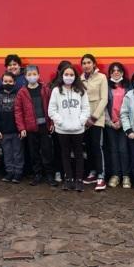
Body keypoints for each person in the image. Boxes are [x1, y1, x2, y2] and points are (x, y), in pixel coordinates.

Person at [48, 64, 90, 192]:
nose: (69, 77)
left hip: (78, 129)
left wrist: (80, 122)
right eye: (66, 74)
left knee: (78, 154)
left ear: (75, 76)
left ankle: (79, 180)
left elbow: (86, 108)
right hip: (62, 129)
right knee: (65, 154)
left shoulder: (81, 90)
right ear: (62, 75)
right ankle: (68, 180)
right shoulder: (56, 90)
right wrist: (60, 122)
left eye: (71, 75)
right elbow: (52, 110)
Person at [15, 65, 55, 186]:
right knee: (34, 153)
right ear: (25, 76)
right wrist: (21, 128)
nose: (32, 76)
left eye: (34, 74)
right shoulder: (22, 92)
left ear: (38, 75)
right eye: (29, 74)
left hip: (45, 126)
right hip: (30, 128)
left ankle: (49, 175)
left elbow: (52, 106)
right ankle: (37, 174)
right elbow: (18, 111)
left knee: (47, 151)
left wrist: (52, 122)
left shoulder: (45, 89)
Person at [80, 54, 108, 191]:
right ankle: (92, 172)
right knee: (89, 147)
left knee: (97, 146)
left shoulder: (101, 78)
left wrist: (94, 117)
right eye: (84, 63)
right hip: (84, 120)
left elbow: (104, 99)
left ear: (94, 64)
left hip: (96, 120)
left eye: (89, 62)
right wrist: (83, 119)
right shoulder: (79, 80)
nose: (86, 65)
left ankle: (101, 176)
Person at [0, 72, 24, 183]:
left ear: (15, 82)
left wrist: (21, 129)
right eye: (5, 81)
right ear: (2, 82)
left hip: (16, 130)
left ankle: (18, 172)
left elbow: (22, 112)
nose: (8, 83)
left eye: (10, 81)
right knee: (7, 152)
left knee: (17, 152)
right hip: (3, 131)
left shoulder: (19, 94)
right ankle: (9, 172)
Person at [104, 62, 131, 189]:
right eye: (113, 70)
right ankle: (115, 175)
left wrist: (122, 121)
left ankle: (126, 175)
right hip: (110, 124)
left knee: (123, 149)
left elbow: (131, 106)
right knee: (113, 150)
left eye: (118, 70)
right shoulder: (106, 87)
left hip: (124, 124)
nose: (116, 72)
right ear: (109, 73)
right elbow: (103, 105)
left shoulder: (128, 87)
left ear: (122, 72)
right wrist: (110, 122)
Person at [49, 60, 73, 184]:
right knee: (58, 149)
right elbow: (50, 107)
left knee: (69, 149)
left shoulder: (74, 86)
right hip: (57, 124)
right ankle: (58, 171)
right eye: (63, 71)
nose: (67, 76)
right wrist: (53, 122)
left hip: (72, 125)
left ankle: (68, 172)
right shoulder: (53, 86)